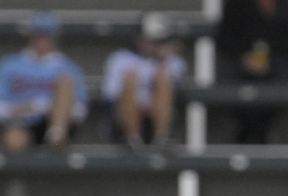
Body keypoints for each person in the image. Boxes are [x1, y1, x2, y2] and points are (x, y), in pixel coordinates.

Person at [216, 0, 288, 143]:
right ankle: (253, 132)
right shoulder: (237, 3)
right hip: (241, 62)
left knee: (281, 79)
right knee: (231, 81)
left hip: (276, 64)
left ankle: (256, 133)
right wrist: (244, 58)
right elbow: (225, 38)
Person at [0, 12, 87, 151]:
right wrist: (27, 107)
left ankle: (56, 138)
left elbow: (80, 110)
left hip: (54, 122)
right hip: (21, 122)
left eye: (46, 35)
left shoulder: (68, 67)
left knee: (64, 82)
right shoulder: (10, 65)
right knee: (14, 139)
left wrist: (48, 108)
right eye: (38, 34)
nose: (41, 40)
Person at [101, 12, 186, 152]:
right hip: (123, 118)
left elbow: (175, 84)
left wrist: (161, 59)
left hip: (155, 117)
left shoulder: (172, 61)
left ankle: (162, 137)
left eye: (159, 41)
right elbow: (111, 95)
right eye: (150, 40)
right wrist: (140, 104)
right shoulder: (120, 58)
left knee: (163, 79)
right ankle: (132, 138)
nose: (153, 45)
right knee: (130, 78)